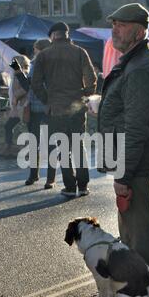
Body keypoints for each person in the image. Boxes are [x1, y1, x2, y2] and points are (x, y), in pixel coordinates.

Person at [98, 3, 149, 283]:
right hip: (131, 161)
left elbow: (136, 128)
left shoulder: (139, 67)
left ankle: (145, 296)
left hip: (133, 164)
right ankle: (137, 292)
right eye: (114, 24)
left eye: (122, 25)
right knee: (131, 234)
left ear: (139, 32)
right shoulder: (136, 60)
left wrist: (123, 174)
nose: (115, 29)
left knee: (138, 236)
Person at [32, 22, 97, 197]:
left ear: (52, 36)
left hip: (56, 109)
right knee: (78, 145)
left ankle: (69, 186)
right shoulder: (79, 52)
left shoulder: (44, 55)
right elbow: (92, 79)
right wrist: (84, 95)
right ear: (67, 34)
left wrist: (48, 99)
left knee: (63, 147)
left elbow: (36, 83)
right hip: (77, 108)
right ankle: (83, 185)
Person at [25, 38, 57, 189]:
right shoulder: (32, 64)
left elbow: (37, 85)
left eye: (35, 48)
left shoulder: (52, 64)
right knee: (34, 143)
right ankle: (34, 174)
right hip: (35, 108)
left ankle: (50, 178)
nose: (34, 51)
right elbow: (30, 86)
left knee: (50, 143)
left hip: (48, 107)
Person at [3, 55, 30, 157]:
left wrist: (16, 96)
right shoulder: (15, 74)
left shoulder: (24, 74)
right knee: (9, 126)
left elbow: (25, 88)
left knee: (24, 127)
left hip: (22, 105)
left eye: (13, 62)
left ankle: (11, 147)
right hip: (18, 105)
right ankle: (9, 147)